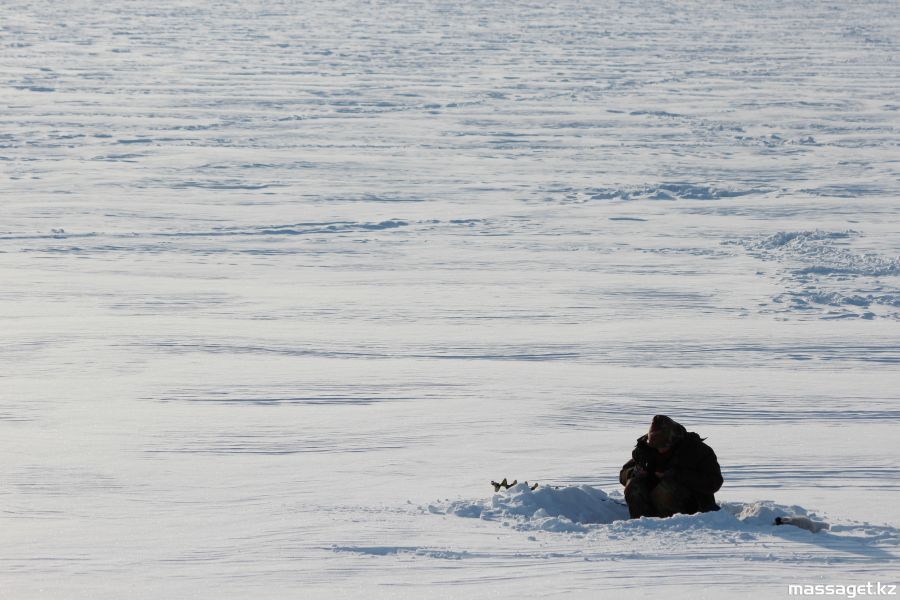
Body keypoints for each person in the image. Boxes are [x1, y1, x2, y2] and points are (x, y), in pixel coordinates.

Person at [619, 415, 723, 519]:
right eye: (657, 447)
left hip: (693, 507)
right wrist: (634, 472)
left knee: (665, 489)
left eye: (664, 446)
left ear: (674, 440)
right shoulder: (646, 450)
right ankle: (641, 525)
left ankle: (673, 527)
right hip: (652, 505)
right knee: (633, 485)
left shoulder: (697, 450)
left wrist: (677, 475)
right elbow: (623, 474)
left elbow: (714, 482)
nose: (660, 450)